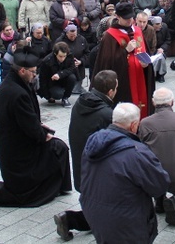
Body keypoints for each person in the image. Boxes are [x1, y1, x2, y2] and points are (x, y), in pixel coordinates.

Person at [0, 52, 72, 207]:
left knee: (59, 146)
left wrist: (41, 130)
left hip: (18, 142)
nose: (35, 75)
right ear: (22, 71)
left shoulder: (15, 83)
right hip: (18, 152)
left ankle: (60, 187)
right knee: (22, 194)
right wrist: (43, 135)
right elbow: (30, 127)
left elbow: (28, 121)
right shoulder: (17, 92)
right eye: (33, 72)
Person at [80, 102, 170, 244]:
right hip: (126, 221)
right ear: (134, 125)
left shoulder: (92, 142)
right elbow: (160, 185)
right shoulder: (137, 153)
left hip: (93, 212)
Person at [54, 70, 118, 241]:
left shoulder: (82, 102)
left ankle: (69, 220)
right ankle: (69, 220)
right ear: (111, 91)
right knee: (108, 210)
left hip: (80, 165)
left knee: (98, 205)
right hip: (96, 169)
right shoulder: (106, 113)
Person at [138, 88, 175, 227]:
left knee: (156, 168)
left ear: (153, 103)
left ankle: (160, 202)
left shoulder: (145, 123)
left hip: (155, 175)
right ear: (172, 102)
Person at [92, 2, 154, 118]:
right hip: (124, 81)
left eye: (131, 17)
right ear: (118, 17)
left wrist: (147, 65)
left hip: (140, 75)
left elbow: (145, 52)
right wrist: (125, 50)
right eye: (126, 18)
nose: (129, 21)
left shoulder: (137, 31)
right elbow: (107, 63)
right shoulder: (109, 36)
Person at [37, 41, 77, 107]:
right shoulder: (47, 61)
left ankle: (65, 97)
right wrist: (47, 96)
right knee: (57, 94)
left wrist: (60, 74)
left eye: (64, 56)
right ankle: (53, 95)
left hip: (64, 78)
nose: (63, 59)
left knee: (72, 78)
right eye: (60, 56)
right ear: (55, 54)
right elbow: (42, 79)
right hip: (52, 82)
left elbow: (72, 68)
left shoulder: (70, 56)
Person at [55, 24, 89, 94]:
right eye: (71, 36)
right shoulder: (60, 41)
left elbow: (87, 53)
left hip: (78, 66)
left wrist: (81, 61)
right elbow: (55, 55)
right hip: (65, 68)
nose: (73, 38)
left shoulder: (82, 39)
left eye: (74, 35)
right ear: (66, 33)